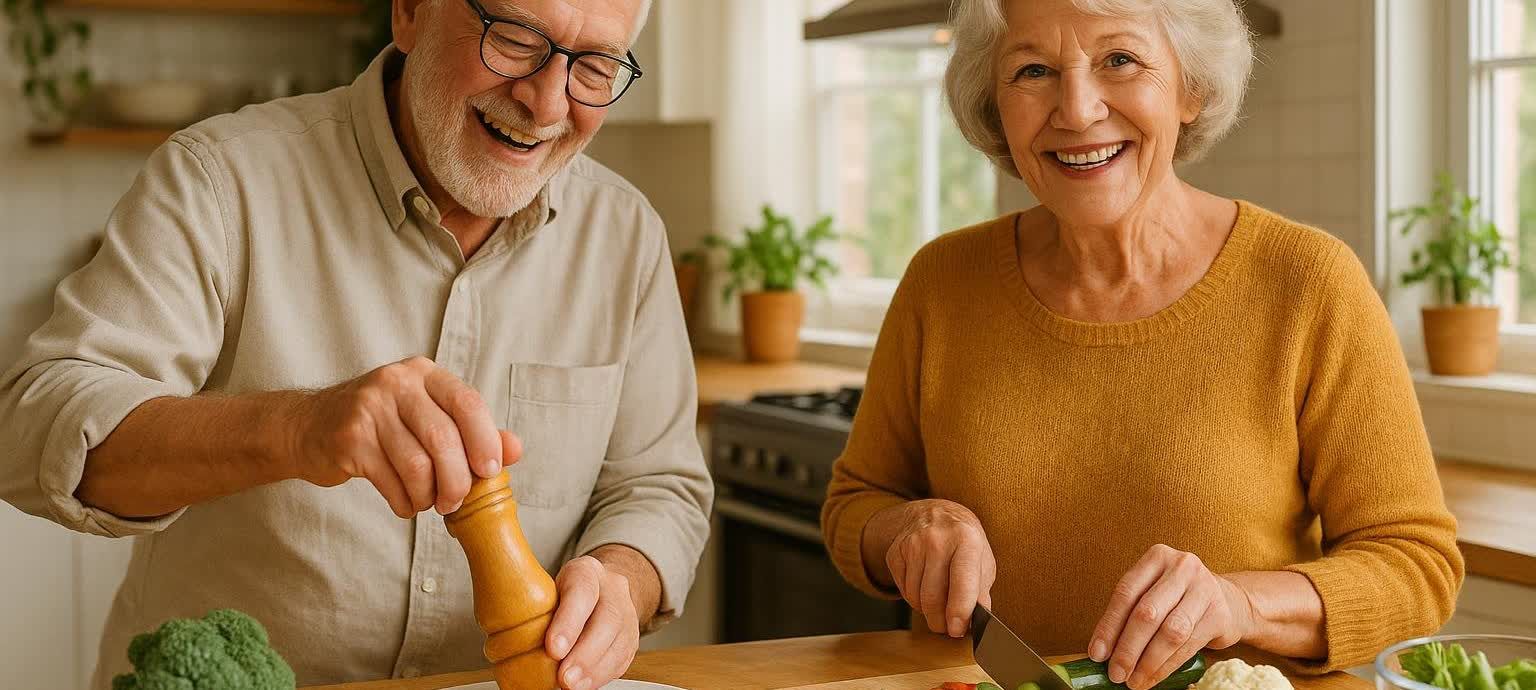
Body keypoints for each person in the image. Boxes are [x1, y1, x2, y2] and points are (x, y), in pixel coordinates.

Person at [0, 1, 712, 688]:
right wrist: (295, 429)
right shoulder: (220, 180)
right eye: (516, 38)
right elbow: (36, 425)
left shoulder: (627, 236)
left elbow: (659, 487)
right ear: (408, 11)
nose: (549, 103)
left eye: (593, 66)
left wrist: (624, 575)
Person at [820, 0, 1463, 687]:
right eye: (1033, 70)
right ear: (994, 106)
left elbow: (1414, 565)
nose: (1077, 109)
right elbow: (857, 502)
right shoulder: (941, 282)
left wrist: (1239, 603)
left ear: (1190, 86)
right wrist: (911, 528)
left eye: (1119, 60)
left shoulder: (1307, 283)